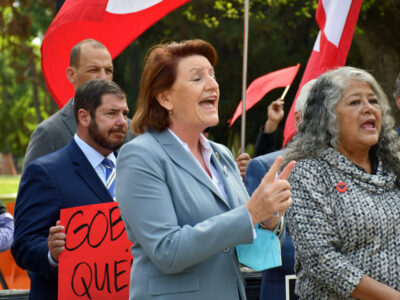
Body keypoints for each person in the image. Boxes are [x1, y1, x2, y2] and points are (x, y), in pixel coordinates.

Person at [115, 39, 296, 300]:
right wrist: (251, 212)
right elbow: (167, 251)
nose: (213, 85)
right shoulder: (141, 155)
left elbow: (250, 252)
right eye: (197, 78)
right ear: (165, 97)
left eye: (212, 74)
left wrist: (268, 221)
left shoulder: (221, 154)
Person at [283, 66, 400, 299]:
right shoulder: (308, 173)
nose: (368, 108)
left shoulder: (394, 167)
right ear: (328, 118)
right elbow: (321, 259)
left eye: (373, 101)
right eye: (355, 102)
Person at [12, 79, 129, 300]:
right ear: (84, 117)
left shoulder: (134, 168)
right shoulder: (45, 172)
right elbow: (23, 245)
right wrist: (51, 253)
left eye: (124, 113)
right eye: (111, 114)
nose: (122, 122)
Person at [244, 79, 315, 300]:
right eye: (320, 111)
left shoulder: (361, 167)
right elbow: (258, 243)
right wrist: (331, 261)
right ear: (299, 119)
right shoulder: (265, 167)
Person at [22, 39, 134, 172]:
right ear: (71, 75)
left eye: (108, 70)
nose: (103, 77)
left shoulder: (132, 131)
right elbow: (33, 190)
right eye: (94, 70)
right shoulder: (49, 133)